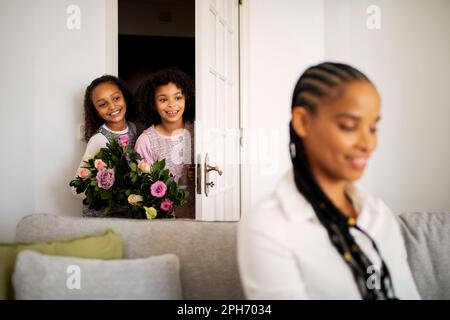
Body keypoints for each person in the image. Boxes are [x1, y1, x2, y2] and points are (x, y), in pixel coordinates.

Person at [238, 62, 421, 300]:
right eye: (349, 126)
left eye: (373, 128)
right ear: (303, 122)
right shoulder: (268, 226)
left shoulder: (377, 214)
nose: (368, 144)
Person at [73, 75, 140, 216]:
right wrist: (107, 190)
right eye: (103, 104)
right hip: (103, 216)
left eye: (116, 98)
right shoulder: (99, 140)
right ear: (96, 111)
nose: (112, 106)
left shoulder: (133, 128)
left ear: (125, 97)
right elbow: (76, 188)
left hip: (128, 213)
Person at [134, 68, 196, 219]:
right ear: (153, 104)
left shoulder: (197, 131)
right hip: (164, 218)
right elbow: (143, 187)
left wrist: (198, 173)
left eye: (177, 98)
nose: (171, 105)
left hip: (199, 212)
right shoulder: (146, 140)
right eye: (163, 99)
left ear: (185, 99)